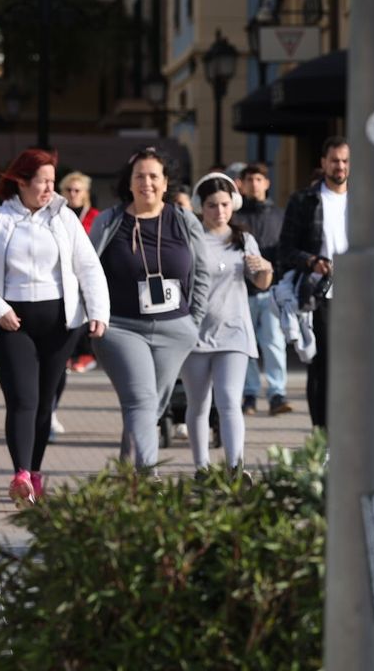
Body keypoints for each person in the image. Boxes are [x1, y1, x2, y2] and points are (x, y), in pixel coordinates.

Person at [0, 149, 110, 503]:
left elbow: (88, 266)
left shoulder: (64, 219)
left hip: (61, 325)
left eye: (51, 181)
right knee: (22, 399)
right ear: (21, 182)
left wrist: (98, 311)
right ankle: (21, 474)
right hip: (11, 325)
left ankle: (36, 472)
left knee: (45, 404)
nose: (49, 188)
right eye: (42, 181)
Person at [88, 148, 211, 471]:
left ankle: (126, 477)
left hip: (175, 330)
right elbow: (86, 270)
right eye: (139, 176)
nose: (147, 183)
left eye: (154, 176)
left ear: (166, 182)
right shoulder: (110, 221)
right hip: (122, 327)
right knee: (141, 401)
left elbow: (202, 274)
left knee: (148, 408)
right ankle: (148, 477)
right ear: (128, 183)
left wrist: (192, 323)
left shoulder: (183, 220)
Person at [180, 174, 273, 470]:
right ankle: (201, 467)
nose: (219, 211)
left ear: (233, 204)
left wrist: (265, 269)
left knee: (230, 400)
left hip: (233, 331)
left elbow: (260, 282)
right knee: (198, 403)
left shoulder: (243, 239)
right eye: (211, 205)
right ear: (200, 207)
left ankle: (235, 468)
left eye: (224, 204)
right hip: (195, 332)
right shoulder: (190, 239)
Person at [280, 136, 349, 429]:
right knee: (323, 365)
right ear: (323, 163)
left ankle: (350, 434)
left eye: (345, 161)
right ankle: (323, 436)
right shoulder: (304, 200)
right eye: (334, 160)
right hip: (320, 293)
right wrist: (312, 262)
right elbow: (286, 249)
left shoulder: (365, 199)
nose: (340, 166)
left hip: (358, 293)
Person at [234, 163, 290, 416]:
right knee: (246, 345)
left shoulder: (279, 216)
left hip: (271, 290)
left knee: (274, 342)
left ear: (267, 183)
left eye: (259, 179)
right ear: (242, 184)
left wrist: (274, 272)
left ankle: (278, 393)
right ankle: (249, 394)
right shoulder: (235, 218)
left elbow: (286, 250)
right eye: (250, 179)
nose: (254, 184)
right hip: (240, 291)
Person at [56, 172, 100, 375]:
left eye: (77, 190)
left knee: (87, 313)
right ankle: (67, 354)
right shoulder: (55, 215)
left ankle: (86, 354)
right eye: (68, 190)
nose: (72, 194)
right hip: (63, 273)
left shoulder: (95, 217)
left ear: (85, 193)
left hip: (87, 271)